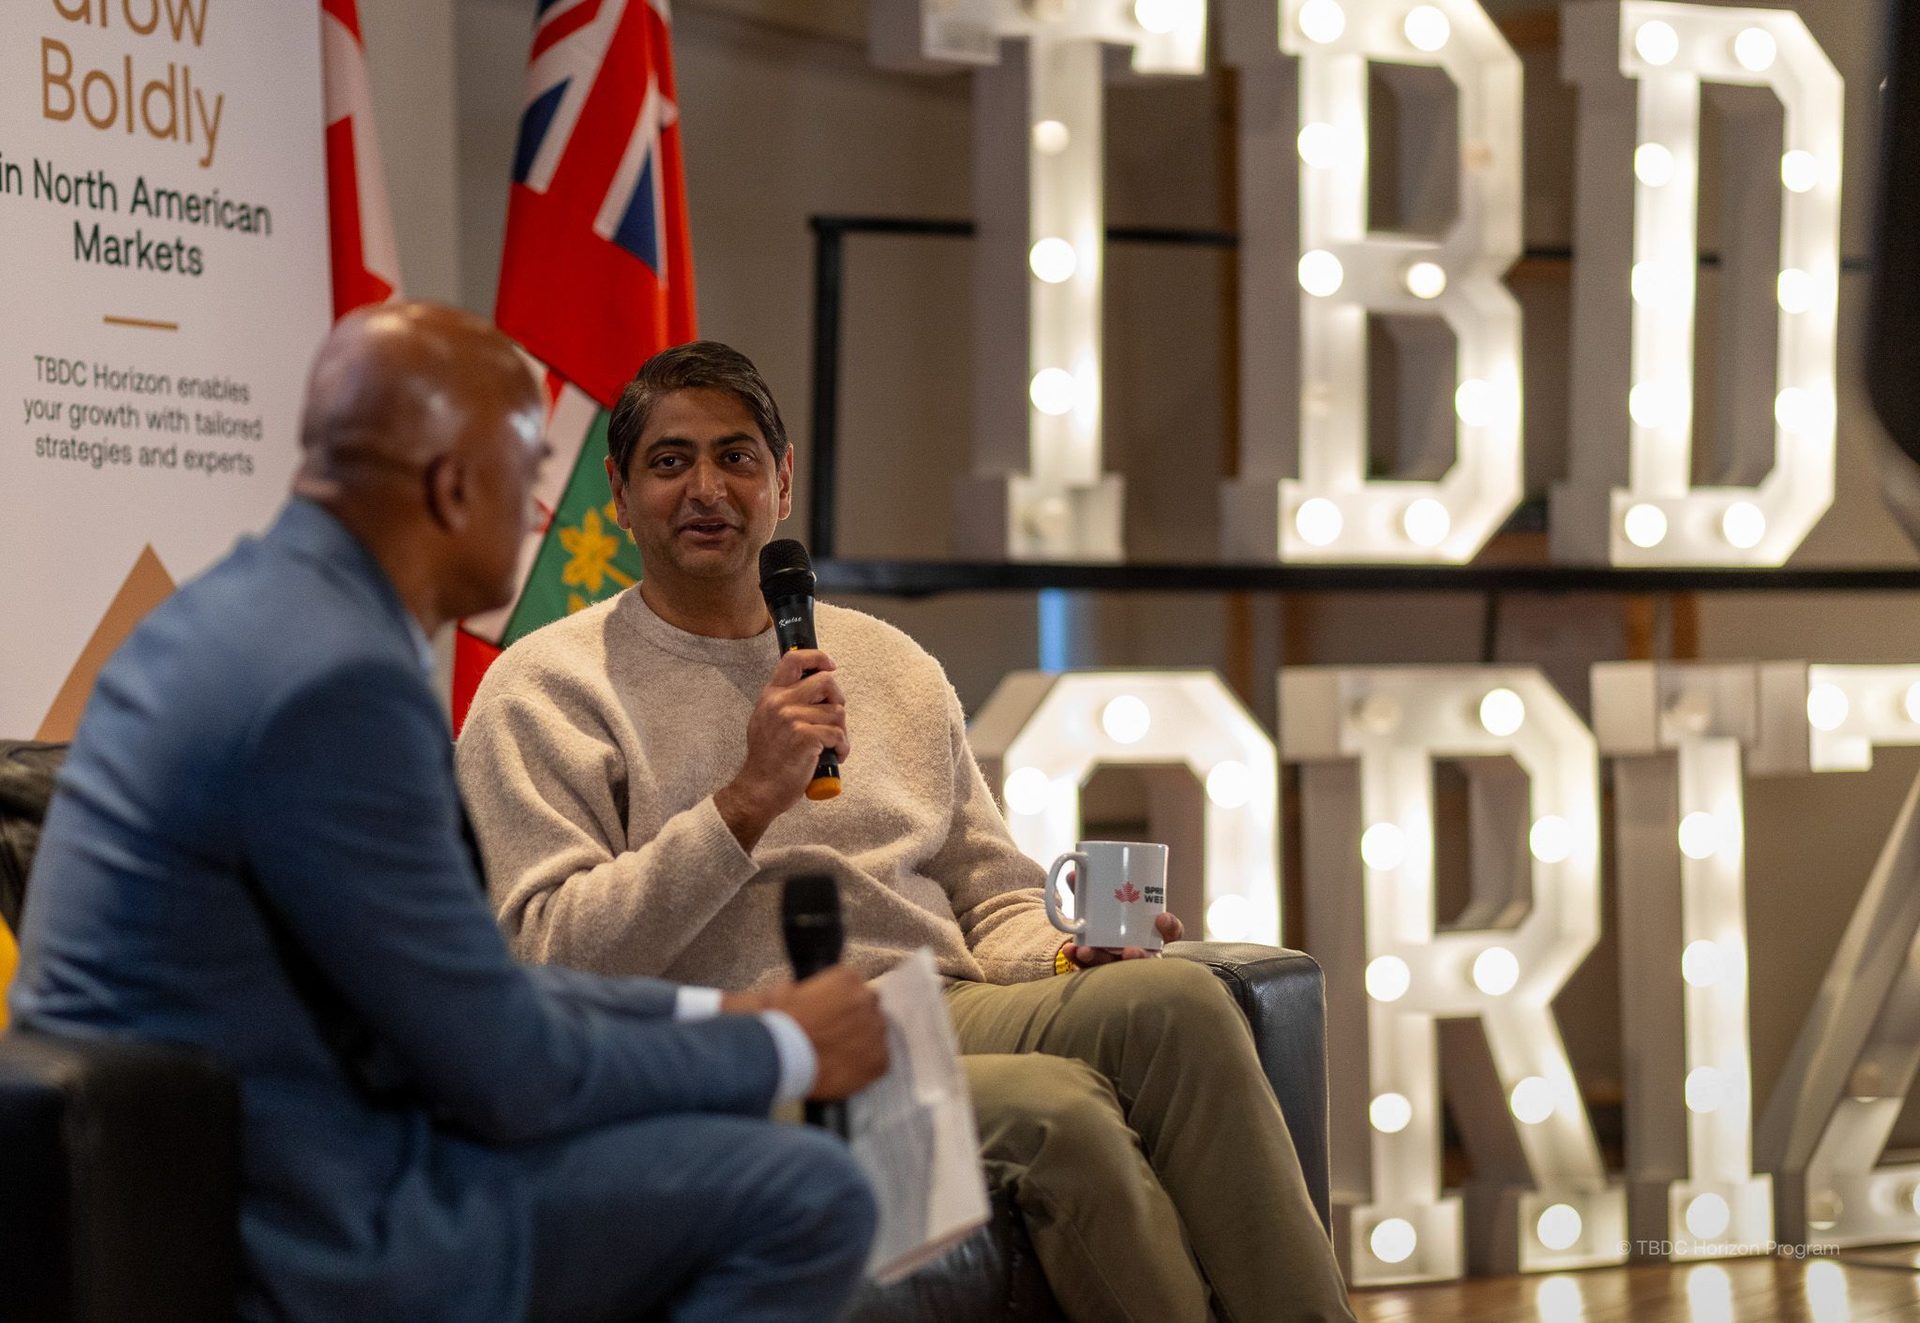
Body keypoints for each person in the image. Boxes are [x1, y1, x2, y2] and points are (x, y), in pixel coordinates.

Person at [10, 305, 889, 1323]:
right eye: (528, 476)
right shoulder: (333, 683)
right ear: (452, 485)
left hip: (257, 1150)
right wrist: (779, 1049)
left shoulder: (247, 616)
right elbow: (505, 1068)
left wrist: (730, 1015)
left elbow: (464, 990)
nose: (538, 518)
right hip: (309, 1219)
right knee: (808, 1194)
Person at [455, 339, 1357, 1323]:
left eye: (737, 457)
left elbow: (990, 887)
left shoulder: (888, 662)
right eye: (671, 463)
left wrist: (1063, 953)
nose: (707, 487)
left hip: (940, 1004)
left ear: (784, 482)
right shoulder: (545, 687)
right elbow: (548, 955)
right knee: (1059, 1114)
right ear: (619, 495)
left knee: (1179, 1001)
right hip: (755, 1041)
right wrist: (745, 800)